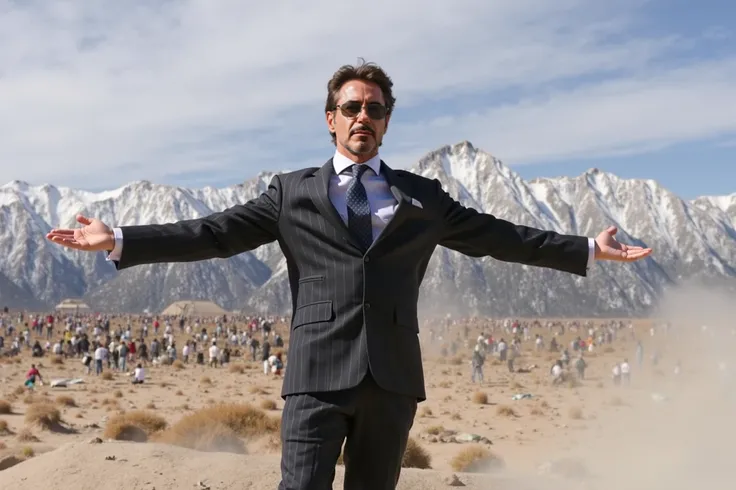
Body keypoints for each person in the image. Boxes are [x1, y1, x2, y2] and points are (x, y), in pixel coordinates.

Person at [46, 59, 652, 490]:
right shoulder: (291, 193)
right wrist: (120, 238)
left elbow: (500, 237)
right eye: (351, 107)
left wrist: (585, 250)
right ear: (330, 119)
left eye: (375, 109)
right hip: (315, 375)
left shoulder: (423, 198)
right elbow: (213, 233)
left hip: (390, 381)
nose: (363, 116)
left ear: (387, 122)